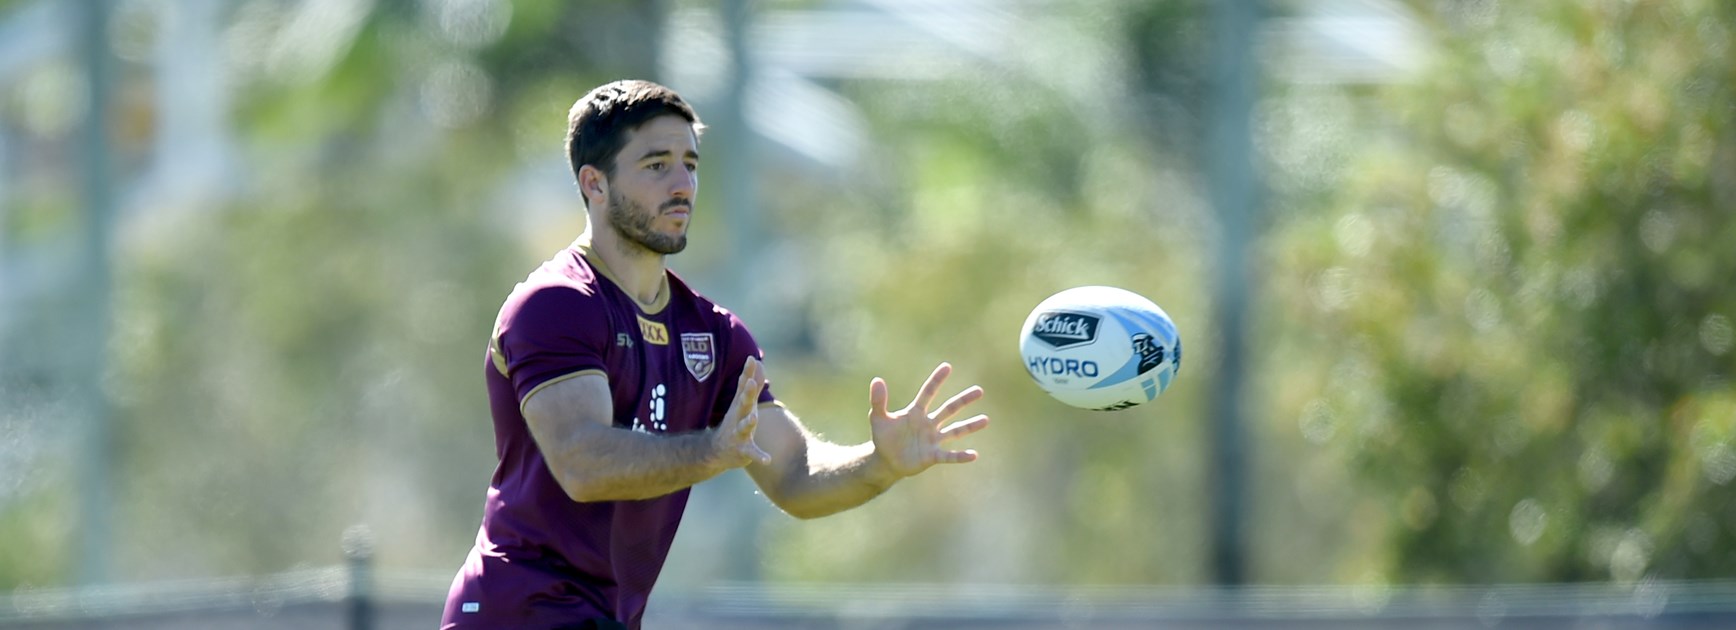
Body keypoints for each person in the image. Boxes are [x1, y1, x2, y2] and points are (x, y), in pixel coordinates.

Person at [440, 80, 991, 629]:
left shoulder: (714, 332)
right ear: (595, 184)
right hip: (517, 608)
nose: (682, 184)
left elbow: (794, 476)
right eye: (656, 165)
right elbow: (583, 464)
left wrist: (879, 465)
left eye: (690, 164)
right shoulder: (558, 303)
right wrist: (711, 450)